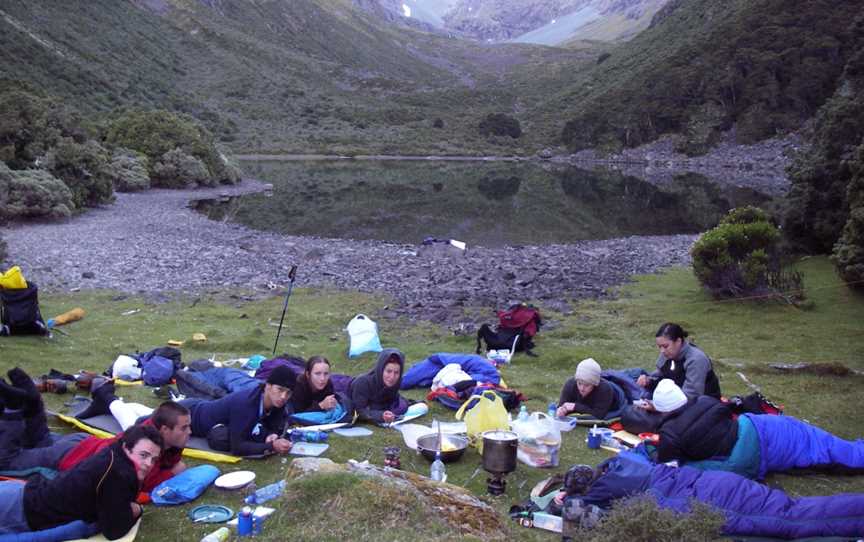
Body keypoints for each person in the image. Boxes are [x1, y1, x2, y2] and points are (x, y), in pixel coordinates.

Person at [551, 454, 864, 540]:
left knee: (795, 520)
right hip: (717, 484)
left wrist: (564, 503)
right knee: (793, 510)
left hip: (716, 502)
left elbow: (586, 518)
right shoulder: (621, 464)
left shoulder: (607, 493)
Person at [0, 367, 191, 493]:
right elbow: (146, 483)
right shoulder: (147, 449)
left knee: (40, 440)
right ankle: (13, 408)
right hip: (71, 455)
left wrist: (174, 463)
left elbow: (169, 461)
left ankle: (31, 397)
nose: (189, 432)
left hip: (82, 444)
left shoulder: (158, 433)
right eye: (184, 428)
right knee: (8, 461)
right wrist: (173, 472)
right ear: (165, 429)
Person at [651, 379, 864, 480]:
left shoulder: (670, 434)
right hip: (757, 424)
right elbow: (728, 410)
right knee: (811, 438)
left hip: (745, 455)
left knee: (689, 469)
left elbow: (669, 473)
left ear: (661, 410)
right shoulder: (705, 400)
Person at [0, 424, 163, 539]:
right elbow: (114, 531)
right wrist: (136, 510)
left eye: (154, 459)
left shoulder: (115, 453)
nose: (149, 464)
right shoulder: (117, 474)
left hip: (19, 496)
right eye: (144, 455)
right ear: (127, 447)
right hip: (17, 509)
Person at [179, 365, 295, 456]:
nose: (283, 396)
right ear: (268, 386)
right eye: (280, 390)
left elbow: (273, 426)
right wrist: (272, 446)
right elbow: (238, 448)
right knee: (223, 438)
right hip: (188, 413)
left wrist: (271, 435)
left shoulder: (277, 403)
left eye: (288, 393)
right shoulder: (246, 403)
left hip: (204, 411)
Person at [636, 322, 721, 405]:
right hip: (675, 400)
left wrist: (659, 408)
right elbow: (660, 376)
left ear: (678, 341)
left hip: (703, 405)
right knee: (634, 376)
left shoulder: (696, 360)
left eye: (665, 346)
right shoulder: (667, 354)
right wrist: (648, 381)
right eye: (659, 347)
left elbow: (691, 396)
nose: (662, 351)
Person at [349, 349, 408, 424]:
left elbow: (396, 400)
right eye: (388, 371)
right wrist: (381, 416)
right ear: (381, 369)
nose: (392, 377)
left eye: (396, 373)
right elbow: (358, 411)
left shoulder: (394, 384)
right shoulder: (363, 383)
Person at [556, 358, 624, 420]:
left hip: (617, 396)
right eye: (579, 383)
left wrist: (575, 406)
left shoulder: (605, 390)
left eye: (587, 385)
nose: (582, 388)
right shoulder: (570, 384)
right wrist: (561, 410)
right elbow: (562, 404)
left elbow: (599, 414)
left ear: (594, 384)